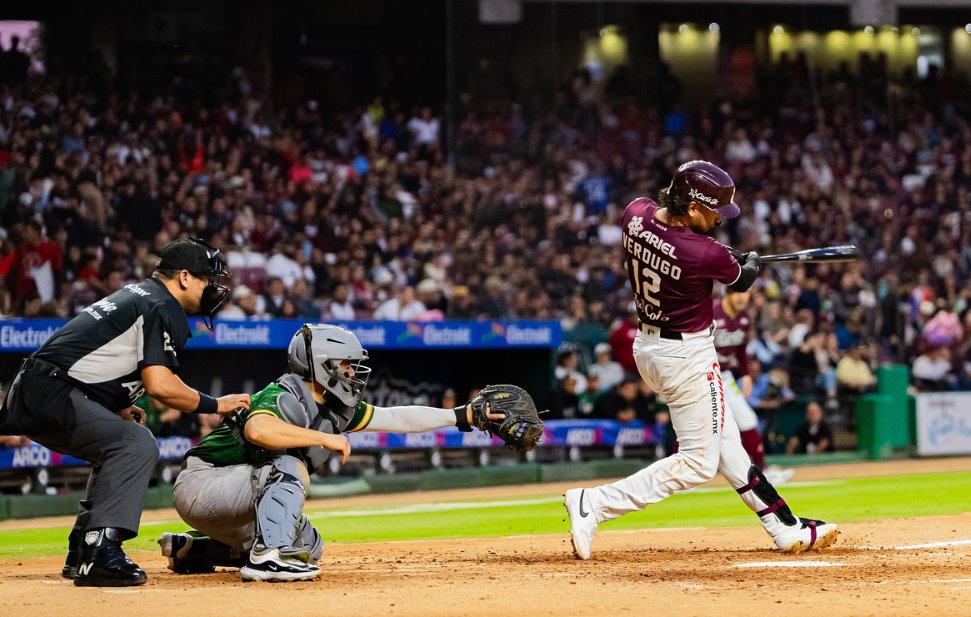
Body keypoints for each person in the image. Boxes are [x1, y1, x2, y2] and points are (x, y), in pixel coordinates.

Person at [564, 160, 837, 560]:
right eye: (713, 211)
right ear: (692, 206)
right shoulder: (703, 251)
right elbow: (739, 277)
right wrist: (750, 264)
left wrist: (732, 257)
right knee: (698, 463)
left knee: (728, 446)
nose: (718, 219)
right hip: (687, 356)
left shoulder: (634, 213)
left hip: (650, 347)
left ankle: (783, 526)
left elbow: (699, 249)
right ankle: (596, 502)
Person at [158, 324, 509, 582]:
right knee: (288, 464)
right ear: (323, 365)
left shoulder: (334, 406)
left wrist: (461, 415)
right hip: (201, 484)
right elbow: (257, 430)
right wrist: (324, 439)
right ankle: (267, 559)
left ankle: (195, 551)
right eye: (346, 365)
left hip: (233, 499)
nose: (353, 373)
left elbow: (395, 417)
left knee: (309, 544)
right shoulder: (283, 393)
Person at [0, 238, 251, 587]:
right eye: (207, 278)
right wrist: (216, 404)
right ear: (183, 277)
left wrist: (117, 405)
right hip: (51, 391)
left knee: (120, 441)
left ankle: (83, 550)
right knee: (135, 444)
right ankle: (100, 550)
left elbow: (100, 356)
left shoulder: (141, 295)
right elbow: (161, 384)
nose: (211, 287)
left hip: (42, 387)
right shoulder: (162, 305)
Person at [712, 289, 766, 468]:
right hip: (703, 375)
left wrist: (746, 375)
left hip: (725, 375)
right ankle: (680, 473)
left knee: (747, 418)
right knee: (700, 425)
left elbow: (741, 350)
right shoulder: (711, 312)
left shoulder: (744, 318)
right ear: (727, 293)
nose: (742, 297)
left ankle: (761, 469)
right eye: (738, 292)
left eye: (746, 293)